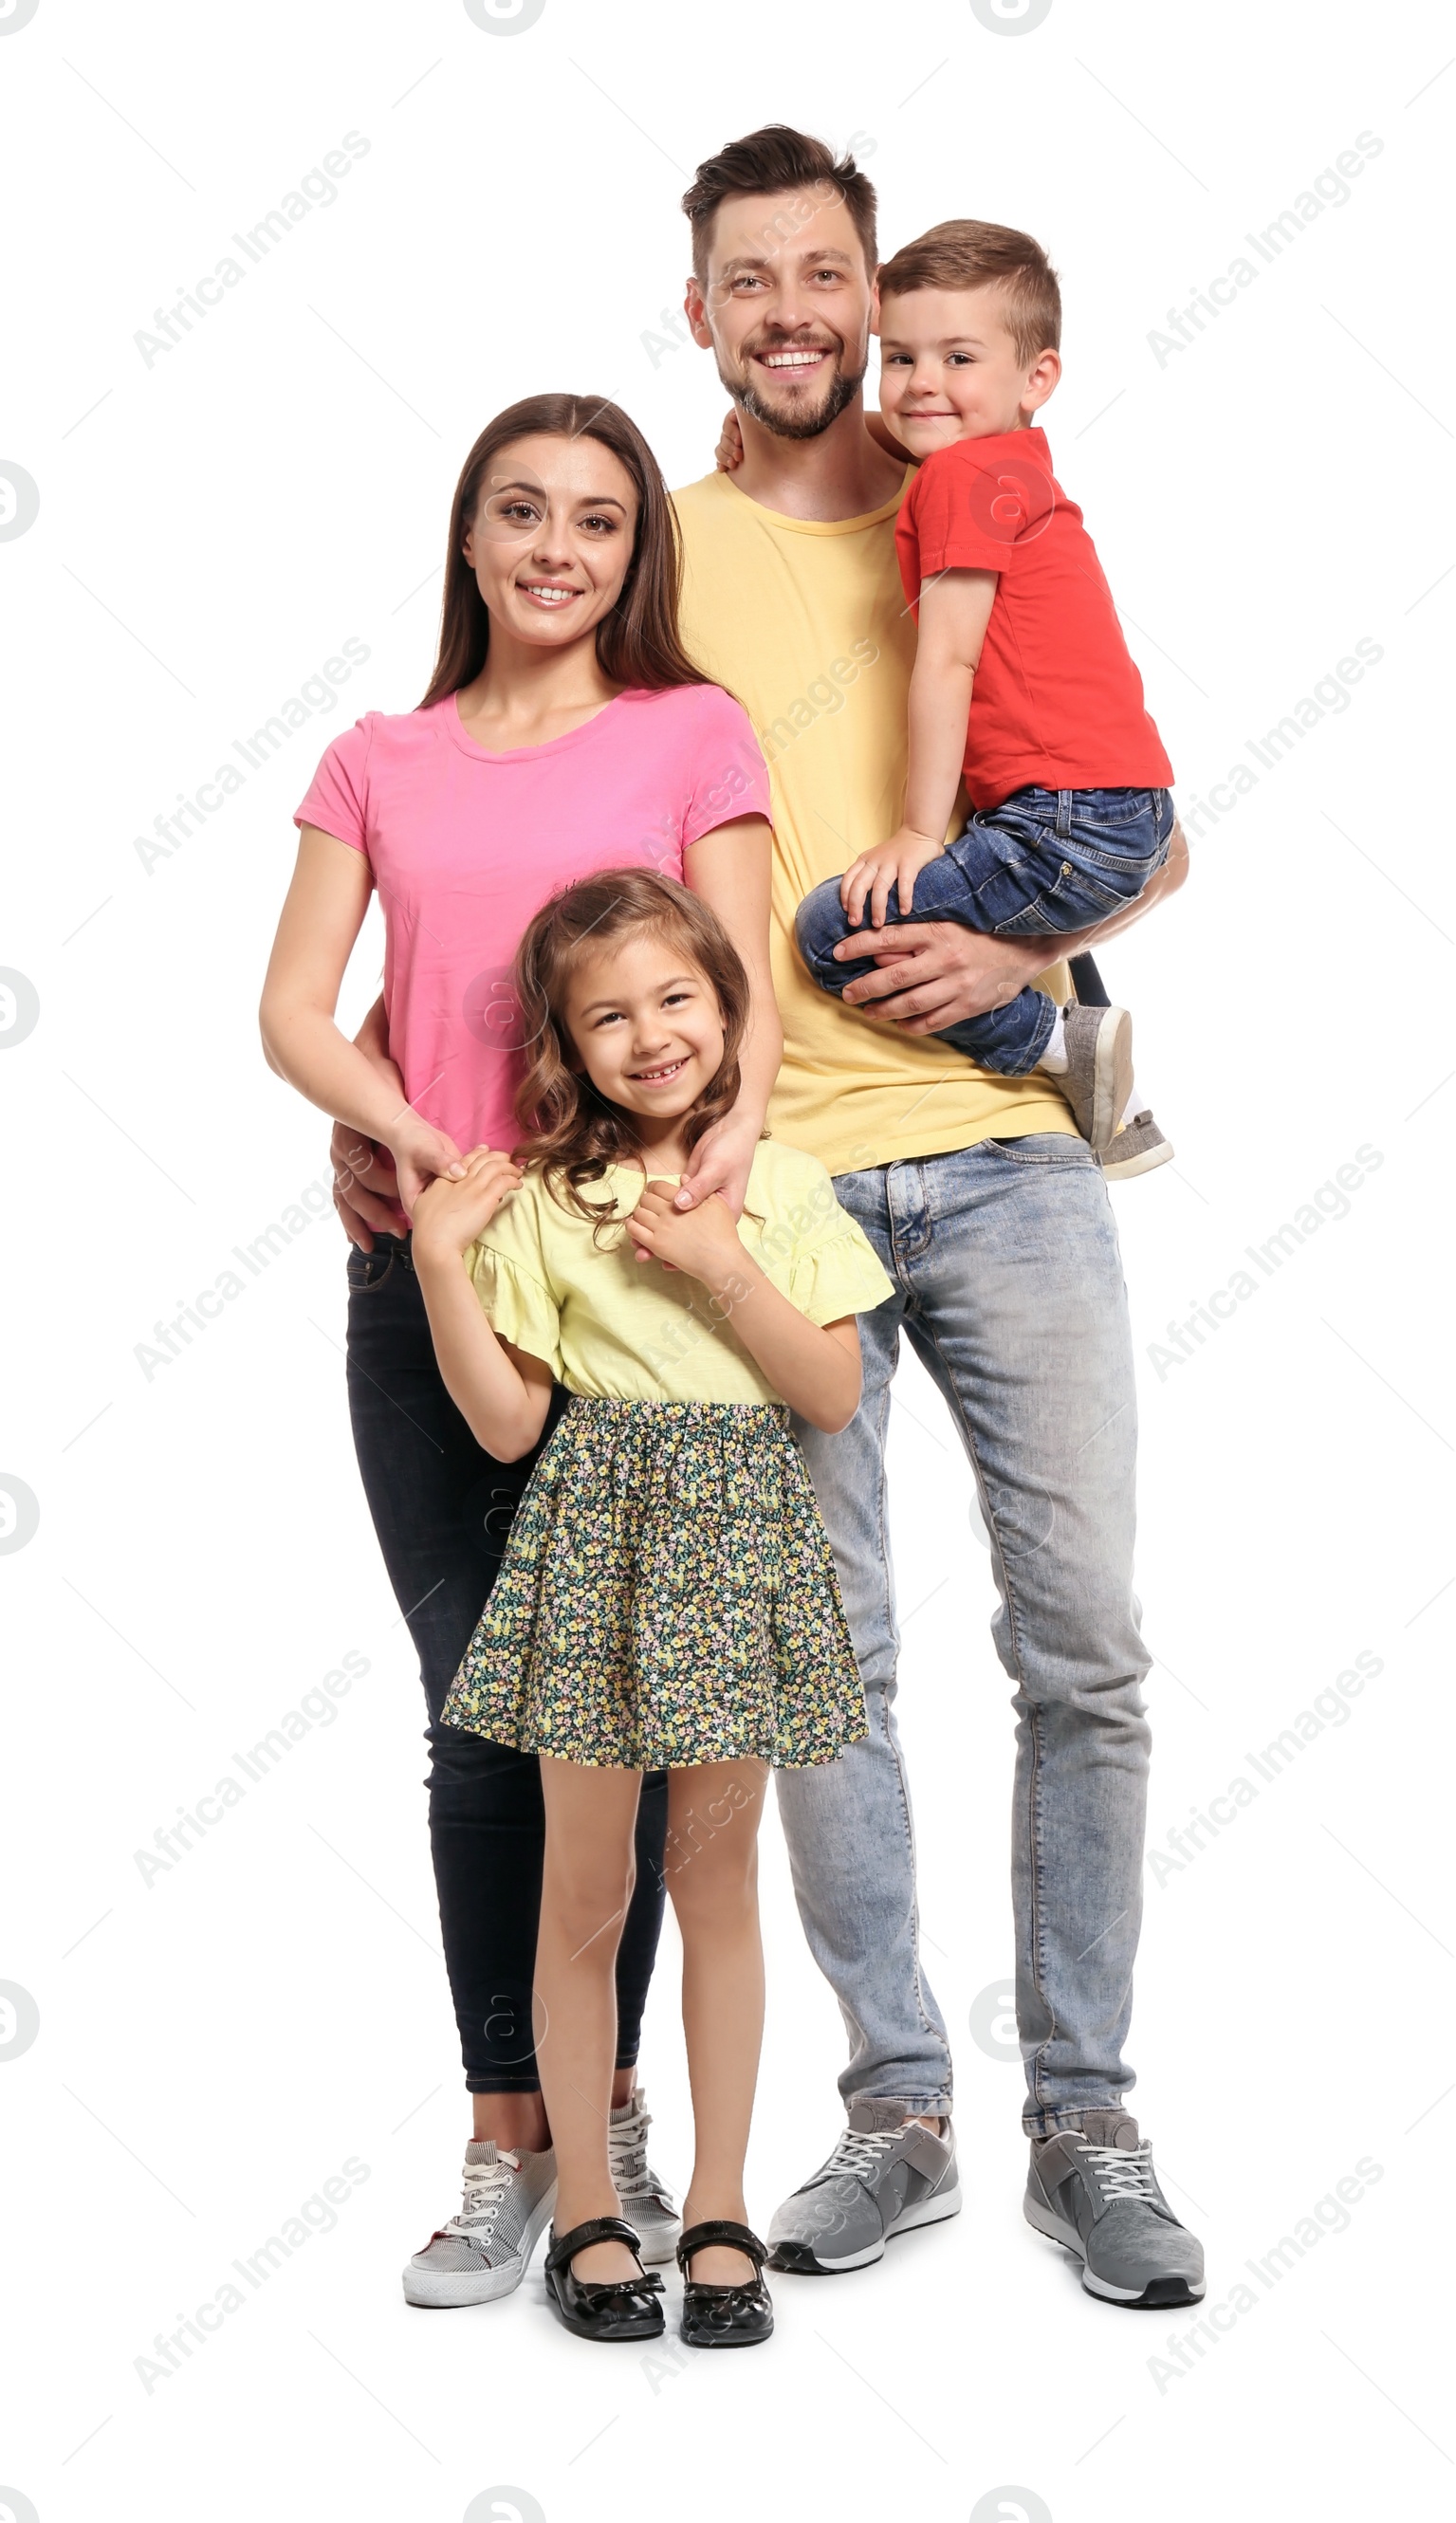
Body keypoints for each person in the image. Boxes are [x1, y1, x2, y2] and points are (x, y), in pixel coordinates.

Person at [671, 124, 1206, 2308]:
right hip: (776, 1181)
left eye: (831, 279)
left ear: (878, 298)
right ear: (700, 310)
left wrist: (1009, 969)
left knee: (1080, 1645)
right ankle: (897, 2110)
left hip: (1004, 1161)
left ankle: (1083, 2121)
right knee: (835, 1669)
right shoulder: (658, 550)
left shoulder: (977, 483)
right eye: (754, 284)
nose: (802, 319)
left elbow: (1141, 835)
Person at [259, 393, 780, 2308]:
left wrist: (716, 1182)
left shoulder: (686, 732)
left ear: (635, 551)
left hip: (636, 1303)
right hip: (439, 1280)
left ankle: (613, 2117)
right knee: (479, 1711)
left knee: (631, 1730)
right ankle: (510, 2137)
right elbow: (294, 1011)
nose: (558, 549)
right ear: (468, 537)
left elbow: (747, 994)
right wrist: (413, 1148)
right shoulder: (375, 757)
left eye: (597, 520)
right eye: (521, 513)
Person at [408, 870, 893, 2346]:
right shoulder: (551, 1207)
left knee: (715, 1890)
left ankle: (723, 2202)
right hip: (595, 1555)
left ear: (728, 1008)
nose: (650, 1034)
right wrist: (442, 1262)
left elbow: (826, 1389)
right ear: (566, 1043)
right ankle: (587, 2213)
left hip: (736, 1552)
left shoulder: (784, 1188)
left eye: (677, 997)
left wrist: (717, 1259)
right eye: (607, 1015)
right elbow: (504, 1427)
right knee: (585, 1897)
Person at [794, 218, 1175, 1159]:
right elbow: (923, 424)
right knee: (967, 903)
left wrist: (920, 830)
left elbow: (948, 659)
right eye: (900, 357)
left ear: (1036, 379)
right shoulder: (1006, 464)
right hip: (1127, 816)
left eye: (957, 357)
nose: (922, 383)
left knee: (833, 929)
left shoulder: (960, 479)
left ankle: (1053, 1044)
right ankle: (1116, 1119)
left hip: (1064, 822)